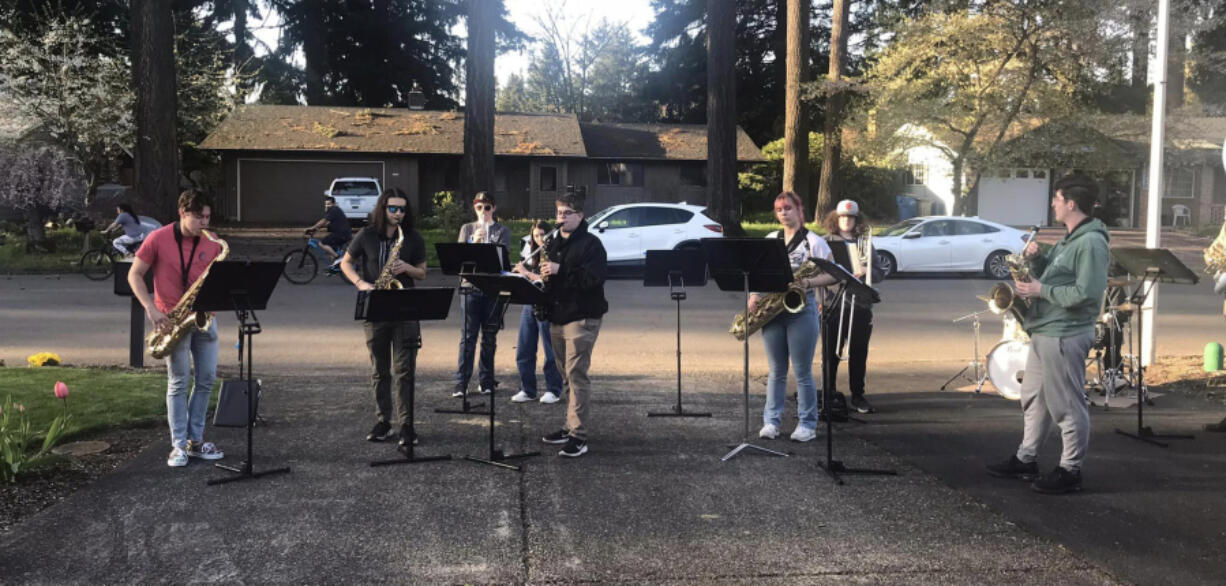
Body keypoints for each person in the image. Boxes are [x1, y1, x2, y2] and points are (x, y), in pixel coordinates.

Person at [986, 172, 1109, 494]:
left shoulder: (1091, 242)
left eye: (1056, 199)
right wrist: (1037, 261)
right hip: (1044, 329)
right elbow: (1055, 278)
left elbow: (1088, 293)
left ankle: (1071, 470)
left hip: (1065, 333)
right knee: (1034, 398)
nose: (1052, 204)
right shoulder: (1069, 238)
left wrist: (1041, 290)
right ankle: (1027, 458)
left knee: (1065, 403)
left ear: (1070, 203)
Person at [127, 190, 226, 468]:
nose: (204, 223)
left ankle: (196, 440)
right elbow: (134, 274)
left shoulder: (213, 243)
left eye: (207, 217)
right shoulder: (158, 238)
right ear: (182, 213)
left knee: (206, 380)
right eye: (198, 217)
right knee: (179, 382)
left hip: (205, 318)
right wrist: (151, 308)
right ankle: (178, 445)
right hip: (171, 320)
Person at [340, 188, 428, 448]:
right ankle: (383, 421)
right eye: (393, 208)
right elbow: (345, 262)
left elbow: (422, 273)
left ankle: (407, 425)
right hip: (375, 307)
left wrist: (407, 268)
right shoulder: (366, 235)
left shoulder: (412, 238)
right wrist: (360, 283)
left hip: (405, 309)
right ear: (383, 208)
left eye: (402, 209)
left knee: (404, 370)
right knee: (379, 370)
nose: (398, 213)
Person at [753, 191, 837, 443]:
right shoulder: (770, 239)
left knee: (802, 371)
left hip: (802, 310)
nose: (783, 213)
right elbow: (758, 271)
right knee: (776, 370)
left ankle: (807, 424)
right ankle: (771, 422)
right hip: (774, 308)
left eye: (788, 208)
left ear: (799, 211)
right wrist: (754, 295)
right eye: (778, 209)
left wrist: (809, 282)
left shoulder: (814, 241)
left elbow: (834, 273)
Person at [538, 191, 608, 457]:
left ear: (580, 216)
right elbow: (551, 276)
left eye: (567, 213)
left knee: (577, 375)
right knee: (565, 375)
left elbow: (593, 279)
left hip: (583, 315)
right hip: (558, 314)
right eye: (559, 213)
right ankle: (569, 427)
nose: (561, 217)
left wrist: (560, 270)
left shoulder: (592, 245)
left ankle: (579, 436)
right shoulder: (554, 243)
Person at [820, 200, 884, 415]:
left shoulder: (865, 243)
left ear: (856, 220)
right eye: (842, 217)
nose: (846, 220)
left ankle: (858, 395)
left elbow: (880, 273)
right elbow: (817, 274)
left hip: (860, 305)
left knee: (859, 352)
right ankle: (829, 394)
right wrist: (820, 300)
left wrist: (868, 271)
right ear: (835, 219)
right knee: (831, 353)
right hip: (834, 304)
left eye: (851, 217)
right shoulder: (825, 242)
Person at [452, 192, 512, 398]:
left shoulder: (502, 230)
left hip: (492, 287)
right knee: (468, 337)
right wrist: (472, 242)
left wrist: (487, 245)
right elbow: (458, 259)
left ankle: (486, 380)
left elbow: (502, 259)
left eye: (487, 207)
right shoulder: (467, 229)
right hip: (470, 287)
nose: (483, 212)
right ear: (474, 208)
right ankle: (461, 382)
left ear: (493, 208)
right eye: (479, 207)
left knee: (489, 337)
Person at [510, 220, 564, 404]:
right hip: (529, 302)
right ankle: (528, 389)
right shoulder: (530, 252)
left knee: (550, 350)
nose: (539, 238)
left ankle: (554, 390)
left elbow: (546, 279)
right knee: (524, 348)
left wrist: (526, 273)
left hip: (546, 303)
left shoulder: (554, 251)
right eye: (536, 235)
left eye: (543, 235)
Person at [304, 196, 351, 264]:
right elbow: (326, 223)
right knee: (331, 252)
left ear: (334, 204)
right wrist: (315, 229)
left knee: (322, 243)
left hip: (340, 234)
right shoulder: (334, 210)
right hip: (343, 234)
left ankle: (337, 257)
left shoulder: (334, 210)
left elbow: (323, 221)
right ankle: (333, 268)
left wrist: (312, 228)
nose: (327, 206)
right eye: (326, 204)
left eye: (329, 204)